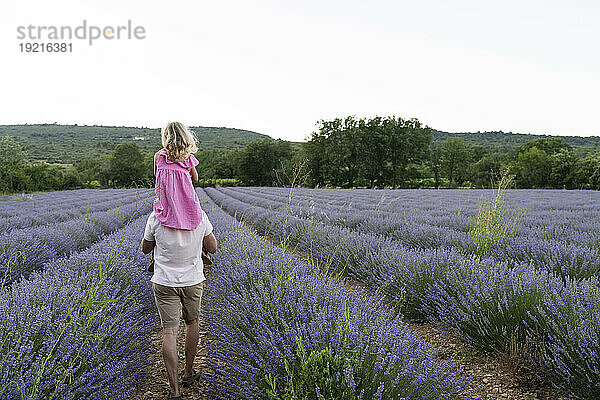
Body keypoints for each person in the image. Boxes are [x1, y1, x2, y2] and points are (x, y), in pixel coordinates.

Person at [141, 121, 217, 400]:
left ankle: (173, 390)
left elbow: (144, 249)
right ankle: (188, 373)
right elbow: (213, 247)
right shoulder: (199, 217)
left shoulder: (156, 217)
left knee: (168, 332)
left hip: (163, 281)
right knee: (192, 323)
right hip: (193, 279)